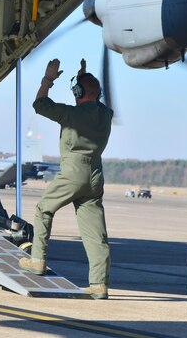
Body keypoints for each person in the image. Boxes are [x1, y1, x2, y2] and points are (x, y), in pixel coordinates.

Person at [18, 58, 113, 299]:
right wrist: (84, 77)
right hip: (95, 175)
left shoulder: (71, 114)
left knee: (44, 209)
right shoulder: (106, 114)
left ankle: (37, 259)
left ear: (78, 92)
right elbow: (94, 99)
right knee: (95, 233)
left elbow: (39, 104)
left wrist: (48, 79)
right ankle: (99, 285)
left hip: (73, 171)